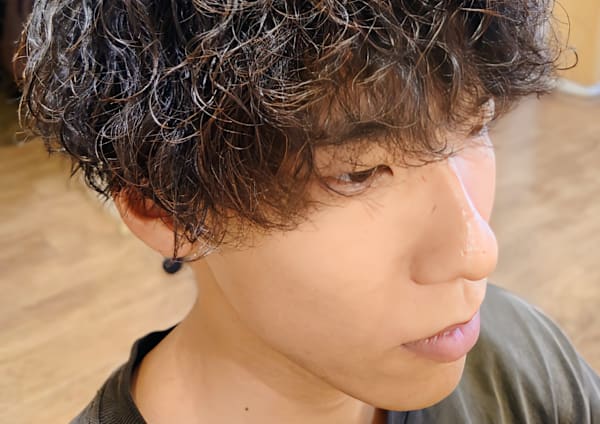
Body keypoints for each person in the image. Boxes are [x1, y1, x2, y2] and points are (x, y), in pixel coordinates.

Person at [18, 0, 600, 423]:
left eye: (477, 125)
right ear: (165, 208)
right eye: (358, 172)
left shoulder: (521, 356)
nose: (478, 251)